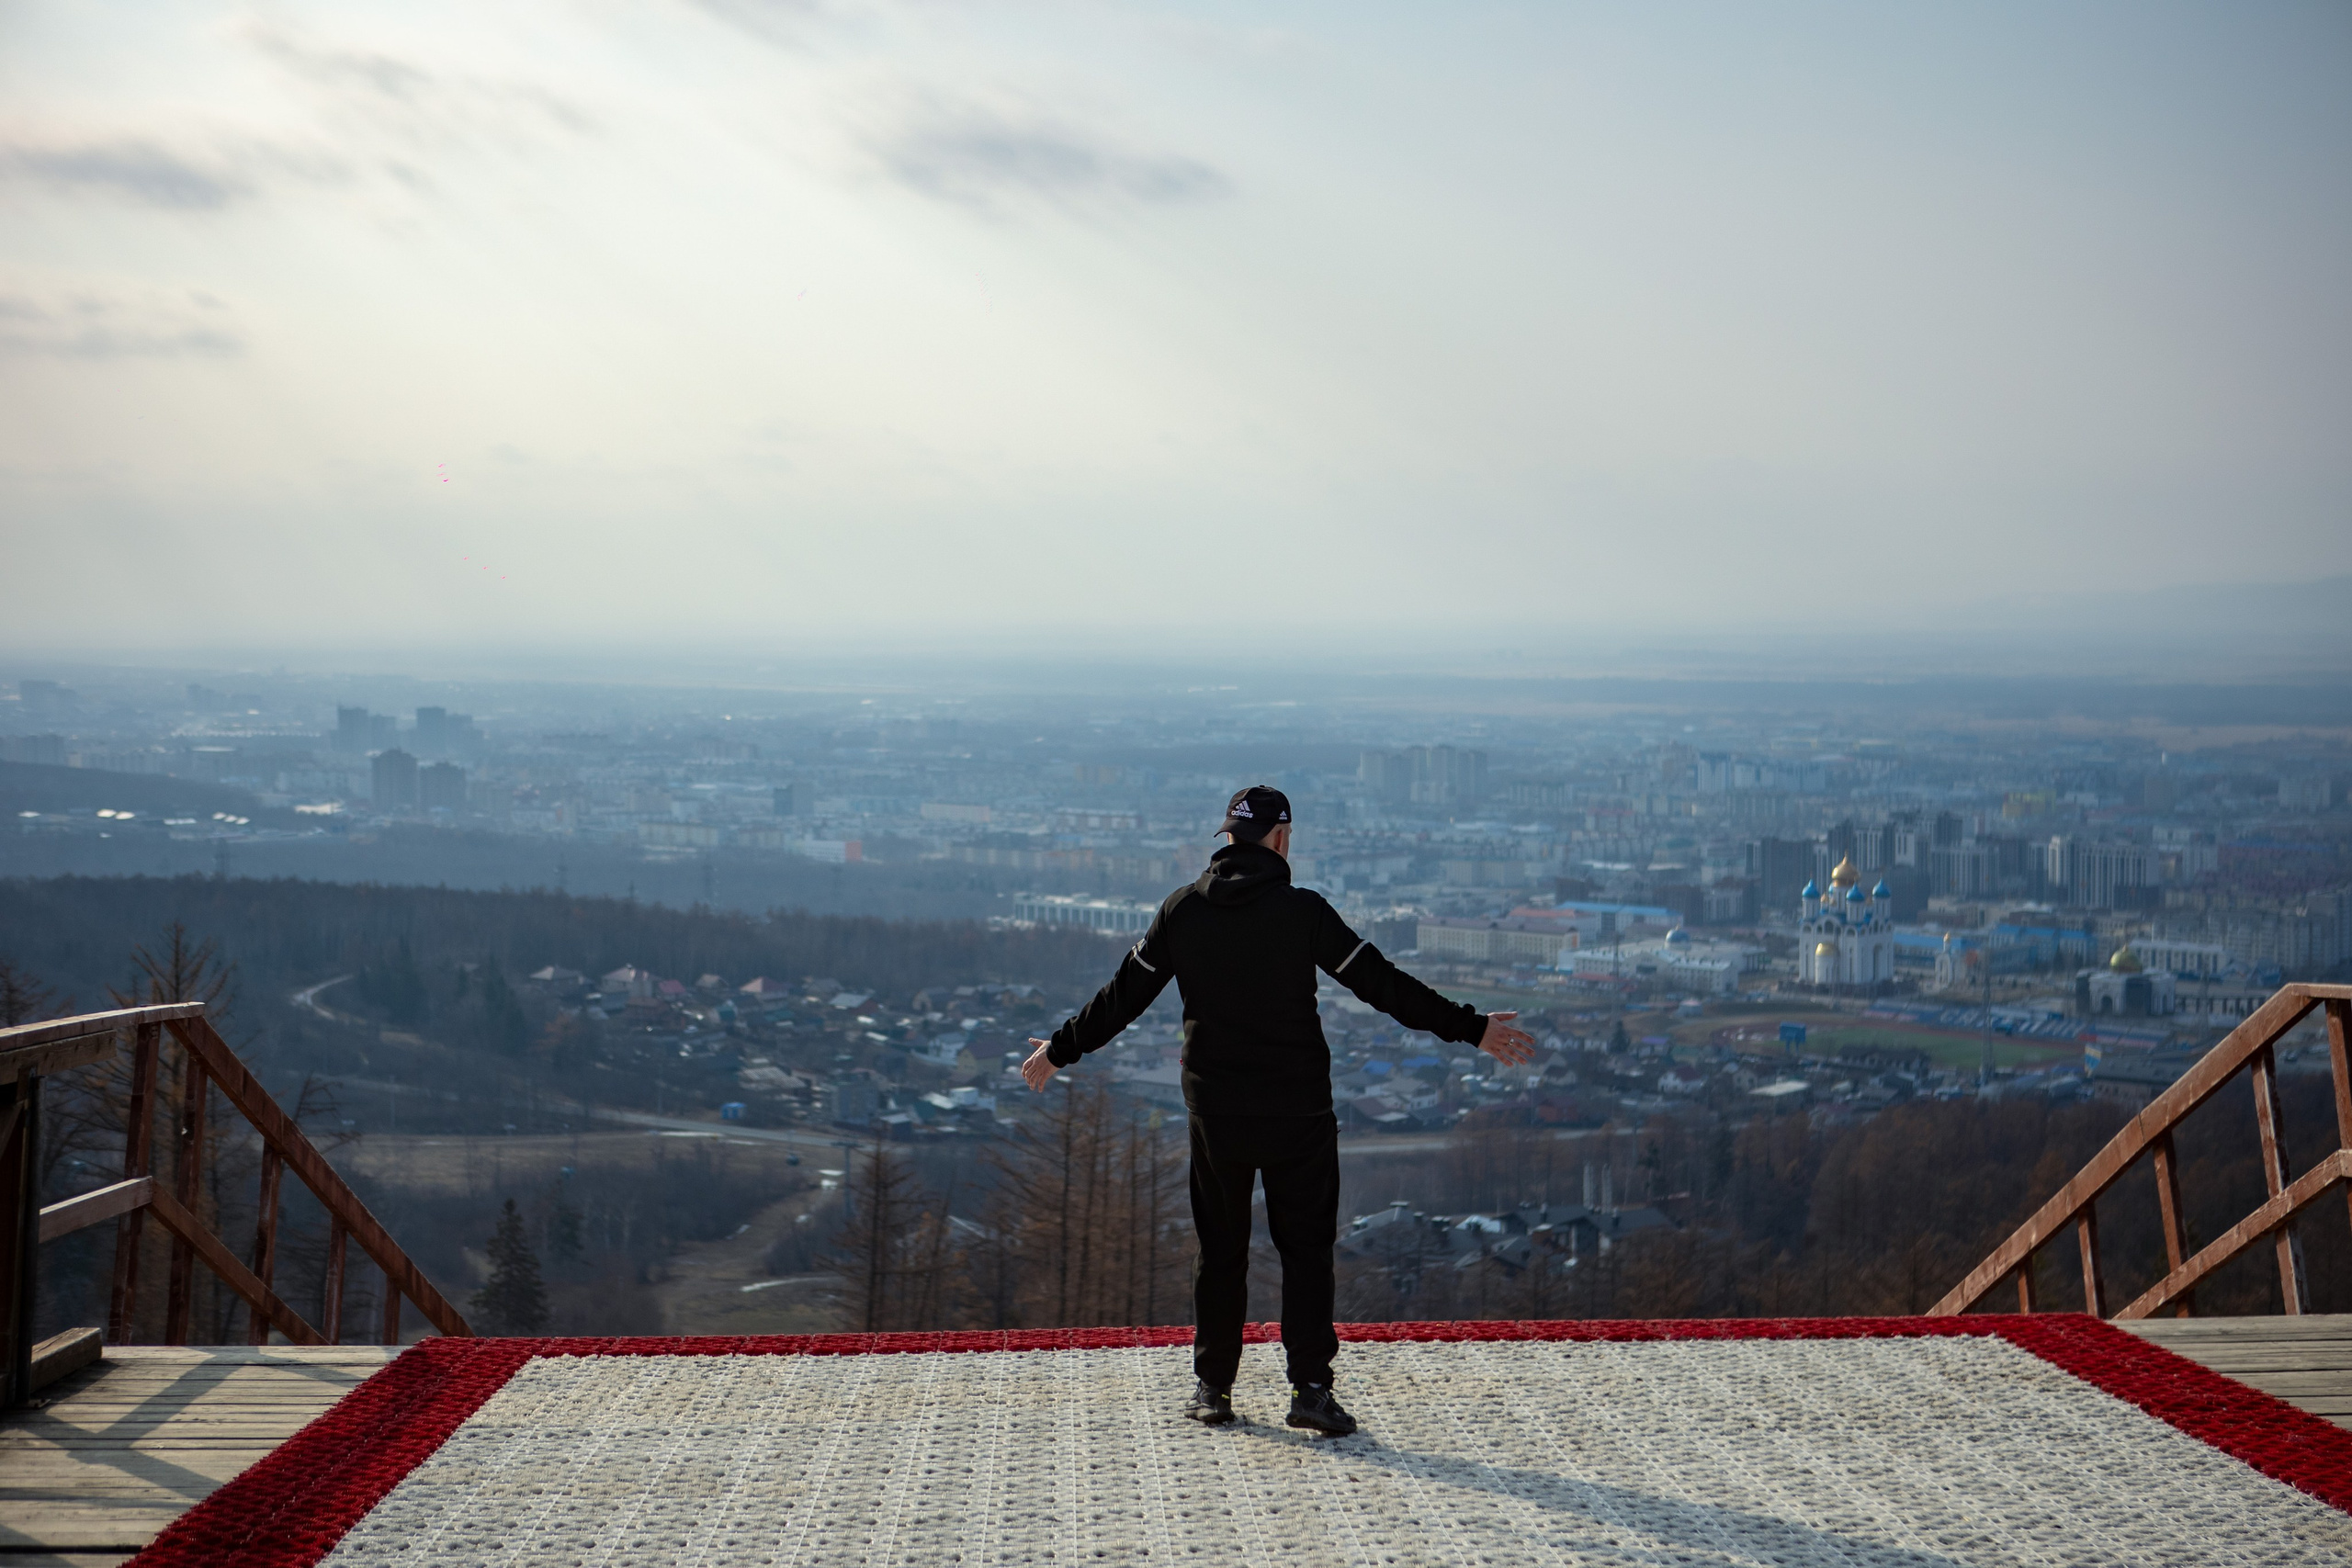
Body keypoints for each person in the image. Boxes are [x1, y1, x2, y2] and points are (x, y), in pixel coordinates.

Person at [1022, 784, 1537, 1436]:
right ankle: (1311, 1390)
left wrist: (1060, 1049)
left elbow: (1122, 996)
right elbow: (1383, 985)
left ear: (1228, 838)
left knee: (1221, 1249)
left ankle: (1213, 1388)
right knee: (1306, 1251)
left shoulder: (1182, 910)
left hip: (1218, 1112)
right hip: (1297, 1111)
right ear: (1283, 838)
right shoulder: (1304, 913)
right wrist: (1474, 1028)